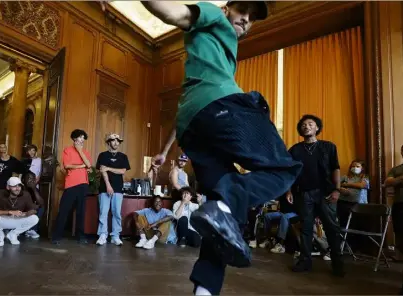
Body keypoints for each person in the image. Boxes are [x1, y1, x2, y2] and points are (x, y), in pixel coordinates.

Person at [110, 2, 303, 294]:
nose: (247, 21)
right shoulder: (215, 15)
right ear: (227, 9)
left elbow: (188, 112)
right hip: (223, 108)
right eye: (243, 12)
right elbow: (174, 13)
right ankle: (225, 203)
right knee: (285, 167)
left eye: (252, 19)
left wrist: (164, 150)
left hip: (194, 126)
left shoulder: (210, 55)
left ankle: (205, 290)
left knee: (223, 223)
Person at [287, 115, 344, 276]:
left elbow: (336, 168)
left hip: (326, 193)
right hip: (304, 194)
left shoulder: (328, 147)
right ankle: (305, 261)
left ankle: (337, 263)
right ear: (300, 129)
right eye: (303, 124)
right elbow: (290, 172)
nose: (306, 126)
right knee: (305, 229)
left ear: (317, 128)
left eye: (310, 124)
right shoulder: (295, 149)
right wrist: (288, 190)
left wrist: (337, 189)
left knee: (332, 228)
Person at [52, 129, 92, 245]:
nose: (82, 140)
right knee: (64, 210)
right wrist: (82, 165)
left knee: (81, 211)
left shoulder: (85, 152)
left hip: (83, 184)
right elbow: (67, 165)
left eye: (83, 138)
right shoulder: (67, 150)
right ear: (75, 138)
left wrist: (80, 151)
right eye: (80, 137)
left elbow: (89, 165)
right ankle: (57, 236)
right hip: (71, 184)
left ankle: (81, 236)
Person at [95, 133, 130, 246]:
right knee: (103, 213)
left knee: (116, 213)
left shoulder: (123, 156)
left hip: (118, 189)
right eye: (114, 140)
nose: (116, 143)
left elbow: (123, 171)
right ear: (109, 142)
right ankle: (103, 235)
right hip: (104, 188)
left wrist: (109, 168)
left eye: (118, 141)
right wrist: (108, 185)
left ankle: (115, 235)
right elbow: (102, 170)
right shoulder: (103, 155)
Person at [0, 177, 39, 246]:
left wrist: (27, 213)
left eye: (19, 186)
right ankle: (0, 235)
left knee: (34, 218)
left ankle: (13, 234)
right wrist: (9, 212)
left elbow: (33, 210)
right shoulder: (0, 194)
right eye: (14, 186)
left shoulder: (25, 194)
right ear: (8, 187)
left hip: (17, 219)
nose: (17, 188)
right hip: (4, 219)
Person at [22, 171, 45, 239]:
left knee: (41, 207)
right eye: (29, 178)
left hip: (29, 215)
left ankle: (32, 230)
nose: (31, 181)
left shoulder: (35, 190)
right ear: (23, 180)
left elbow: (41, 204)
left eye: (33, 179)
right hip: (19, 214)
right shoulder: (19, 189)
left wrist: (34, 189)